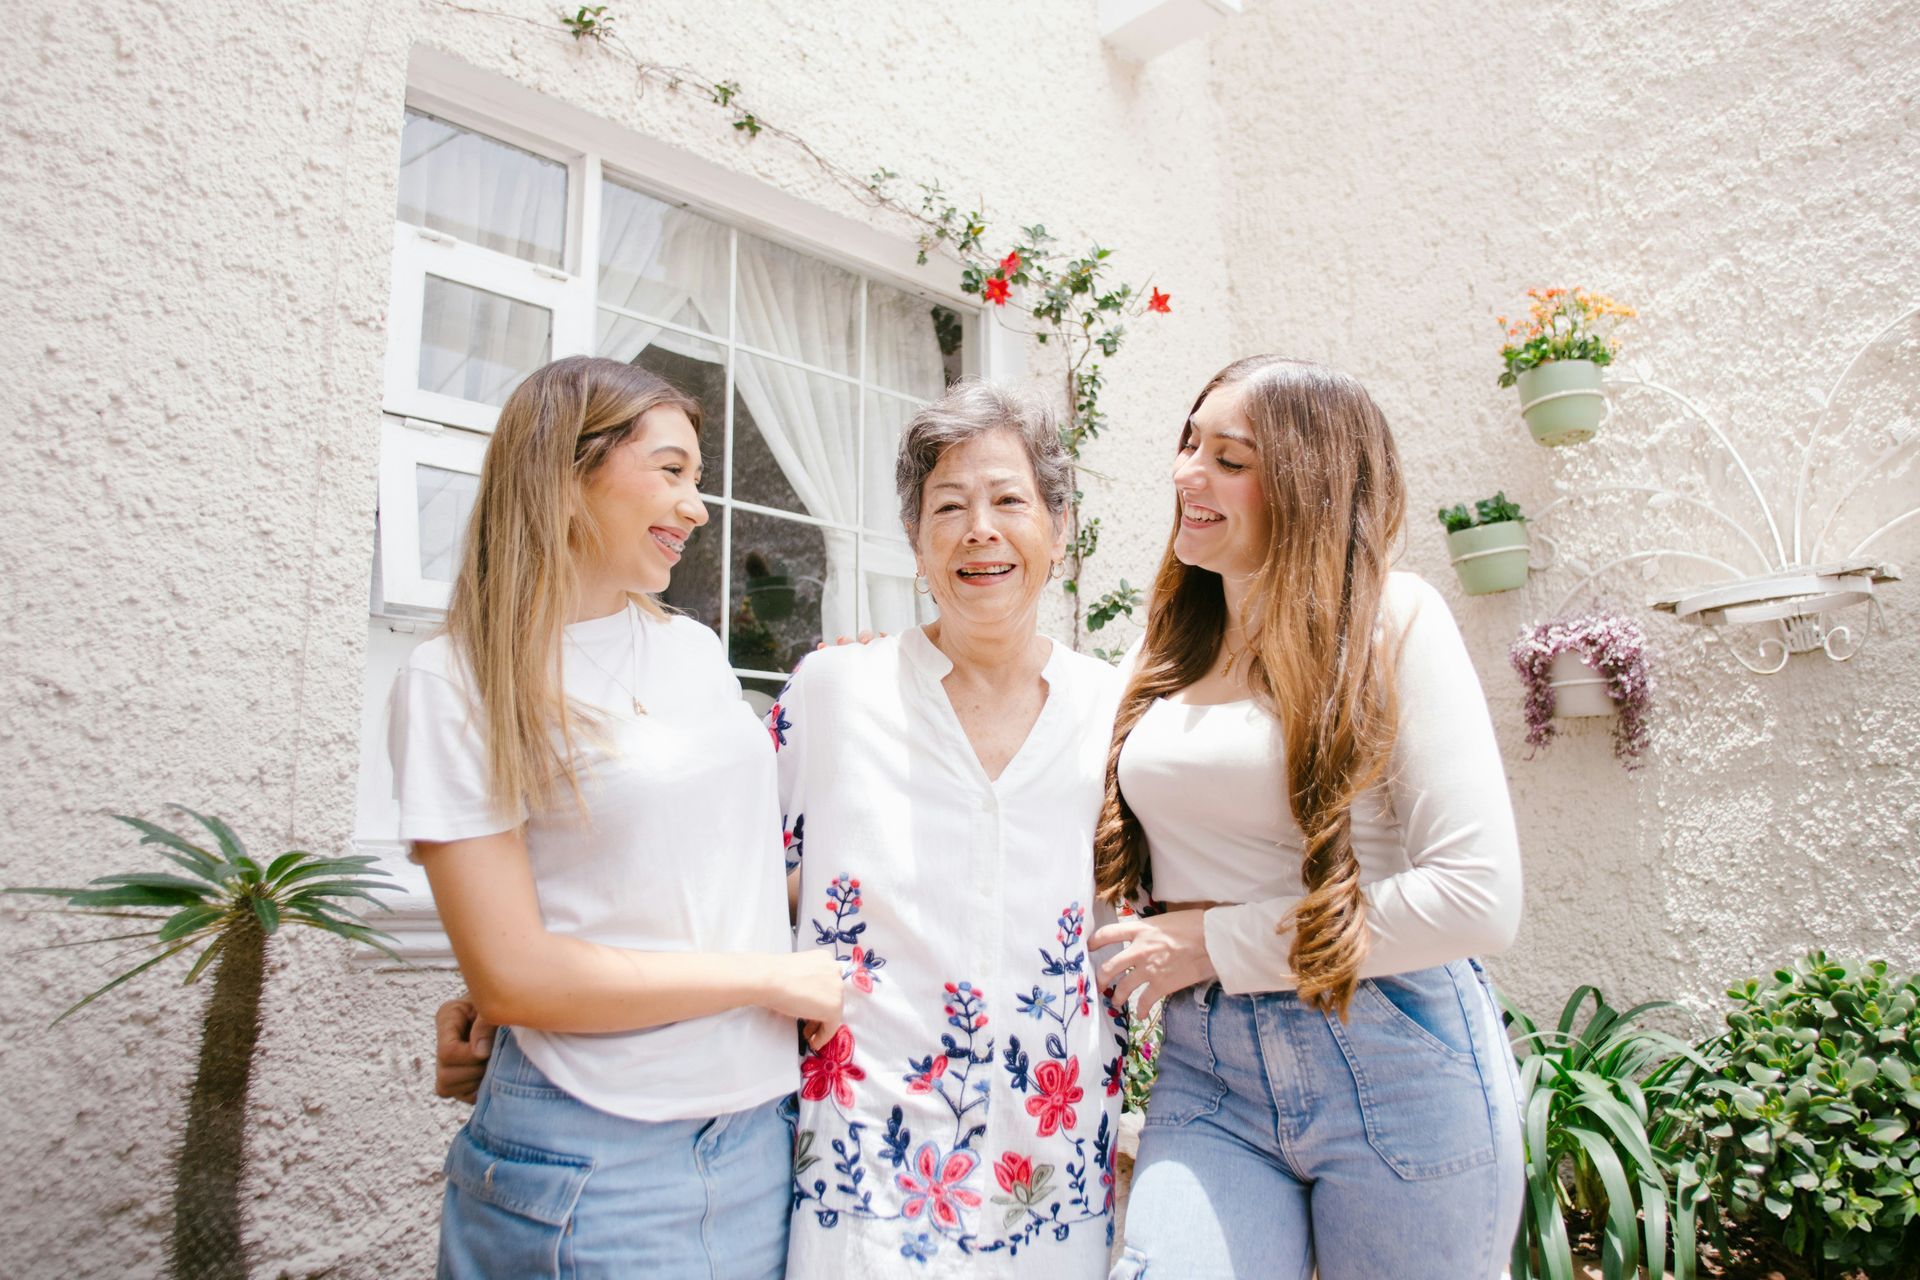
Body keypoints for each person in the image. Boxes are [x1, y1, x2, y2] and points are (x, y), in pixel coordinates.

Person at [390, 355, 842, 1280]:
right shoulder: (455, 681)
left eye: (698, 480)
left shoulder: (697, 651)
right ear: (566, 469)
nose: (699, 507)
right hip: (590, 1154)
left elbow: (716, 877)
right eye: (671, 472)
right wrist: (769, 978)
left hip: (758, 1136)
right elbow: (517, 975)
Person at [1089, 355, 1525, 1279]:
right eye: (1188, 442)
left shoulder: (1394, 621)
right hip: (1210, 1071)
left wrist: (1220, 942)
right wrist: (911, 672)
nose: (1186, 473)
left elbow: (1477, 899)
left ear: (1310, 483)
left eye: (1230, 459)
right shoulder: (1164, 647)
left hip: (1395, 1056)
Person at [776, 380, 1126, 1276]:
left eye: (1010, 500)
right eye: (949, 505)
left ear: (1057, 525)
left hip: (1050, 1168)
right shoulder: (833, 691)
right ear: (915, 540)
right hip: (869, 1172)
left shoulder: (1118, 711)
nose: (981, 528)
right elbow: (731, 876)